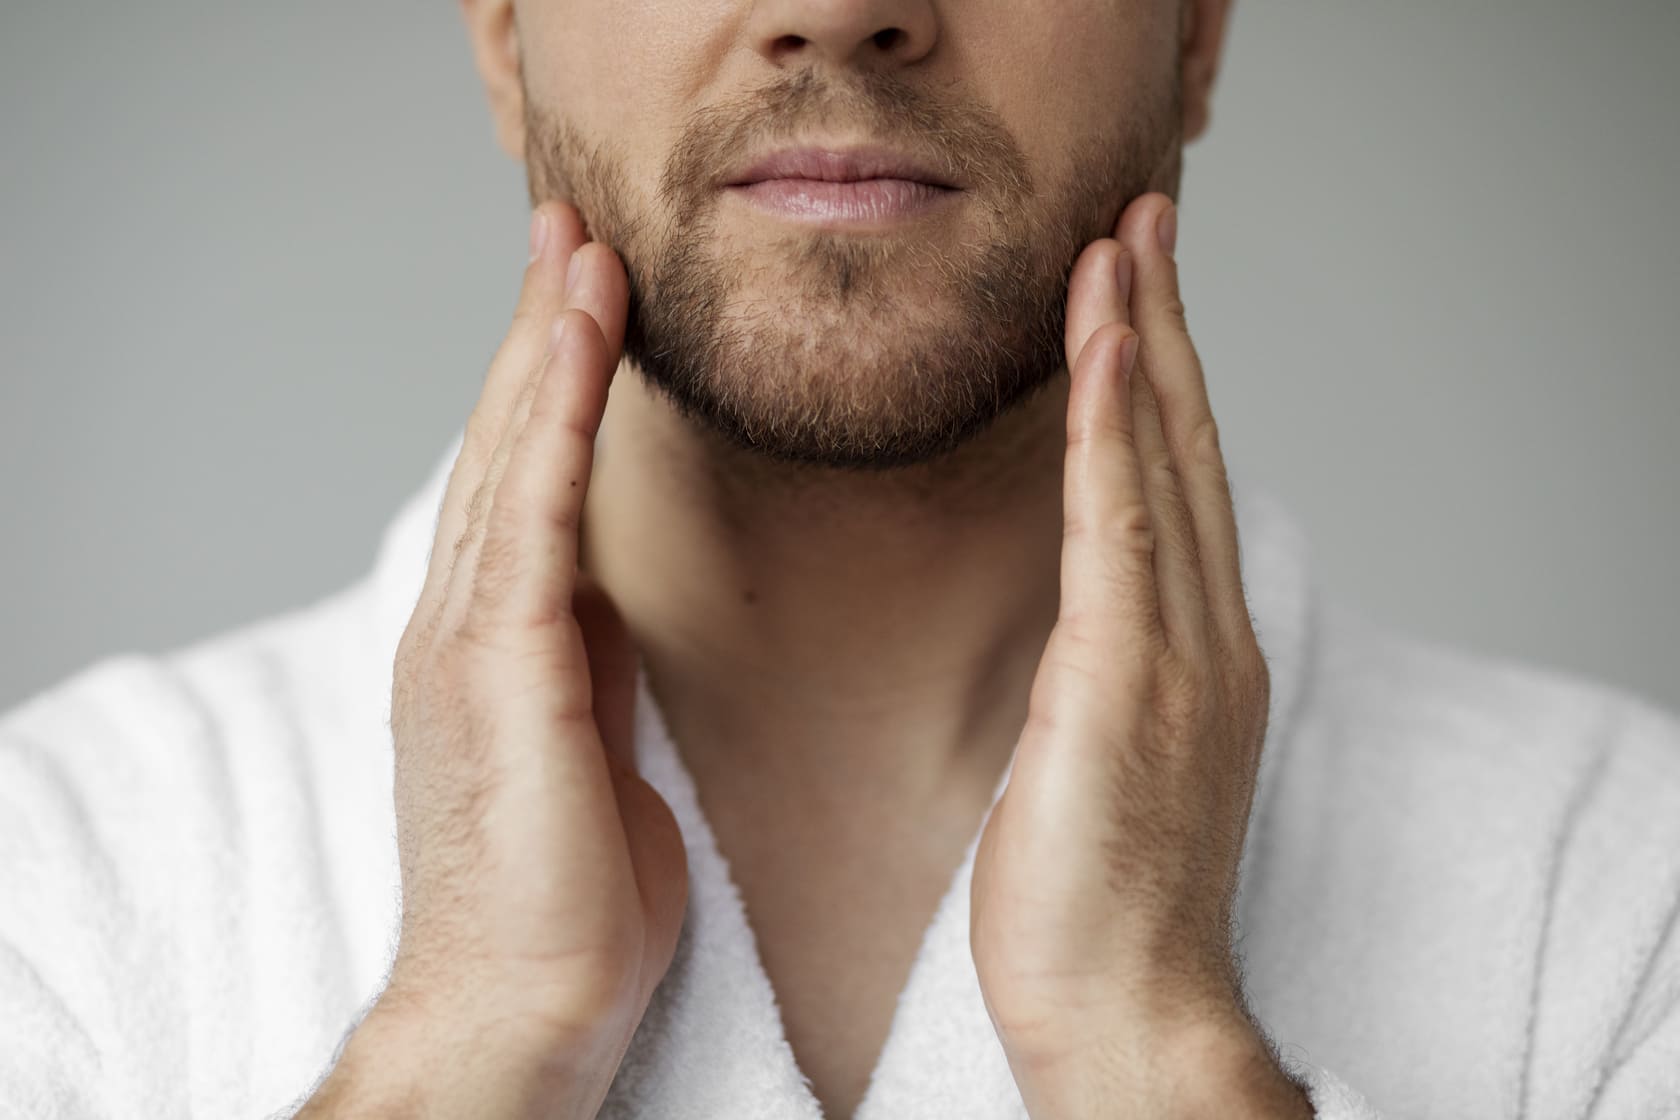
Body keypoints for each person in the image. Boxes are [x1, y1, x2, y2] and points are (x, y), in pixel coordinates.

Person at [3, 0, 1678, 1116]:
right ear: (504, 31)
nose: (842, 1)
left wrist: (1156, 1058)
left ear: (1196, 27)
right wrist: (459, 1052)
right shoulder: (56, 888)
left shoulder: (1627, 904)